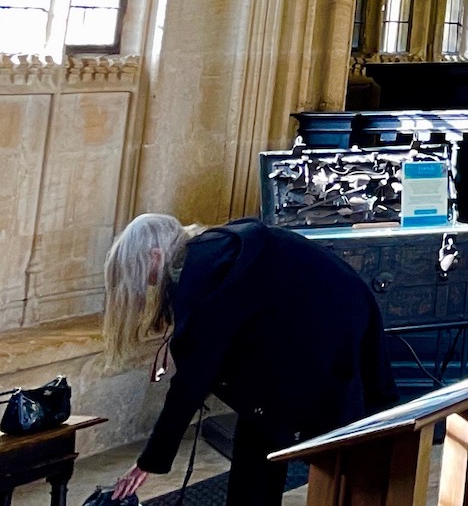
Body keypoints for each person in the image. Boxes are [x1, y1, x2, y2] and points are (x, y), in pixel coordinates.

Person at [101, 215, 395, 506]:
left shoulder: (203, 270)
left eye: (144, 273)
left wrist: (150, 460)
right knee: (260, 432)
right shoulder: (217, 248)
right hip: (340, 319)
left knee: (338, 460)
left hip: (321, 341)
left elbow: (193, 378)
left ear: (156, 256)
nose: (149, 284)